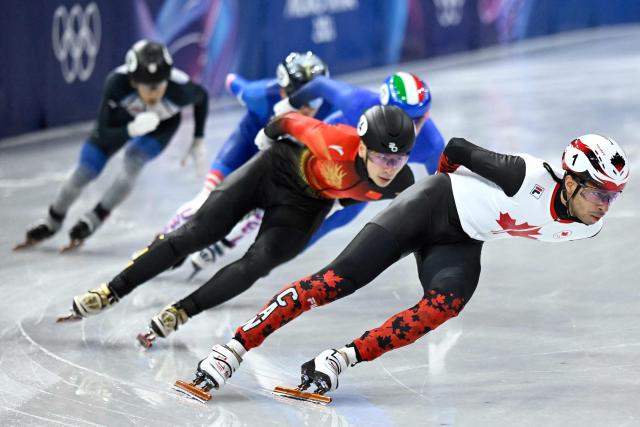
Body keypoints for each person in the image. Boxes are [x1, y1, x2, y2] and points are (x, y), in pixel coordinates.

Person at [187, 134, 629, 397]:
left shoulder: (588, 227)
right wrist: (441, 183)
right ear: (570, 181)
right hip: (429, 205)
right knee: (337, 281)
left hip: (463, 239)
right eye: (598, 194)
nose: (604, 207)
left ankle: (336, 360)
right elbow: (456, 148)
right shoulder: (525, 176)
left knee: (443, 306)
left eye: (612, 197)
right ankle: (234, 348)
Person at [60, 105, 418, 349]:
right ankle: (110, 291)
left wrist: (342, 200)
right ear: (362, 149)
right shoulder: (334, 141)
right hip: (274, 169)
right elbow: (290, 120)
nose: (389, 167)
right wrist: (265, 139)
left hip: (307, 205)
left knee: (259, 263)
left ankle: (181, 311)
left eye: (398, 159)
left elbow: (405, 202)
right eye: (382, 158)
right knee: (195, 234)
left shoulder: (400, 181)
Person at [189, 71, 445, 275]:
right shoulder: (356, 102)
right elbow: (320, 84)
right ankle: (234, 229)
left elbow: (441, 191)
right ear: (380, 106)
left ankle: (273, 252)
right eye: (400, 116)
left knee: (332, 219)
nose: (408, 128)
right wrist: (291, 103)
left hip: (366, 172)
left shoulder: (433, 145)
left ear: (428, 115)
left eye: (418, 120)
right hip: (328, 147)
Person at [15, 40, 209, 251]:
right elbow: (103, 133)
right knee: (85, 171)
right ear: (134, 82)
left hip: (162, 127)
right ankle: (52, 221)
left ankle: (93, 220)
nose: (154, 94)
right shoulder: (116, 83)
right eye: (148, 87)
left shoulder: (181, 88)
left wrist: (198, 138)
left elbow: (203, 98)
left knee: (132, 164)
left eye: (160, 85)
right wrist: (131, 130)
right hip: (120, 122)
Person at [161, 51, 330, 235]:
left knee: (263, 207)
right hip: (246, 144)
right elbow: (232, 81)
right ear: (282, 91)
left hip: (280, 157)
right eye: (299, 98)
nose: (307, 108)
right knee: (204, 202)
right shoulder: (257, 95)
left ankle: (222, 244)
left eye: (315, 98)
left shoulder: (333, 107)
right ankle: (159, 240)